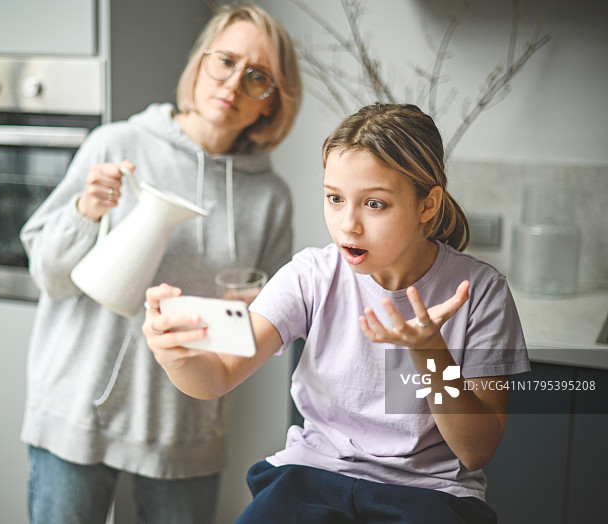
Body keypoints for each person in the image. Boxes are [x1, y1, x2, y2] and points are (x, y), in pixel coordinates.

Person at [143, 103, 529, 523]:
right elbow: (218, 373)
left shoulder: (481, 292)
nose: (348, 224)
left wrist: (430, 352)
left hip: (429, 493)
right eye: (334, 198)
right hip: (313, 476)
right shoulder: (312, 275)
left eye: (375, 204)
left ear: (427, 205)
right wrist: (176, 356)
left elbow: (476, 450)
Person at [19, 5, 301, 523]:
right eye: (225, 62)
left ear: (272, 102)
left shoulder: (271, 197)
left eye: (257, 77)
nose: (234, 83)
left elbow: (270, 326)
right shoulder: (117, 144)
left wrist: (251, 312)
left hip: (186, 429)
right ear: (199, 65)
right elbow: (49, 275)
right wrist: (86, 212)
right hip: (78, 410)